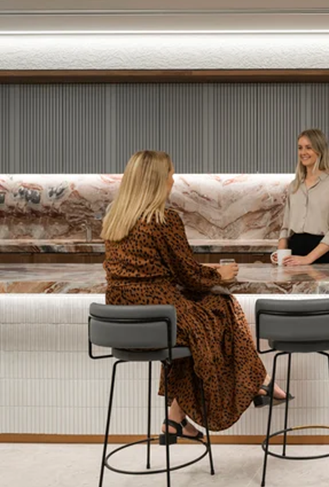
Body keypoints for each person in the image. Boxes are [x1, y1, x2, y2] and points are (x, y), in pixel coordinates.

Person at [101, 150, 289, 440]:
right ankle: (259, 379)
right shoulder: (163, 219)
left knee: (199, 334)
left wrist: (202, 270)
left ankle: (175, 419)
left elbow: (158, 268)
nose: (173, 180)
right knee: (220, 306)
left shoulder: (114, 220)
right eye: (170, 174)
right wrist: (219, 275)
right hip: (158, 318)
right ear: (157, 181)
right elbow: (188, 276)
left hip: (120, 321)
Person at [273, 128, 329, 266]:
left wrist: (308, 259)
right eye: (300, 148)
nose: (303, 153)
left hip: (324, 256)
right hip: (295, 254)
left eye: (309, 148)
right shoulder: (294, 186)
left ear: (320, 150)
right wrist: (280, 254)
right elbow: (285, 228)